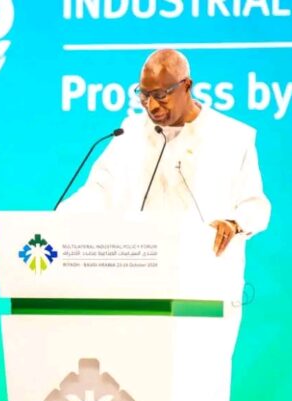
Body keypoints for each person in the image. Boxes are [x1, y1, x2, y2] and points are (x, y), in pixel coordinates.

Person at [58, 49, 271, 255]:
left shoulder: (232, 136)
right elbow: (100, 189)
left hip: (204, 266)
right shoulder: (131, 131)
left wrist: (234, 223)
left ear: (186, 85)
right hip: (141, 264)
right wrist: (58, 219)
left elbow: (255, 205)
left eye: (160, 95)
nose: (151, 106)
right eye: (144, 95)